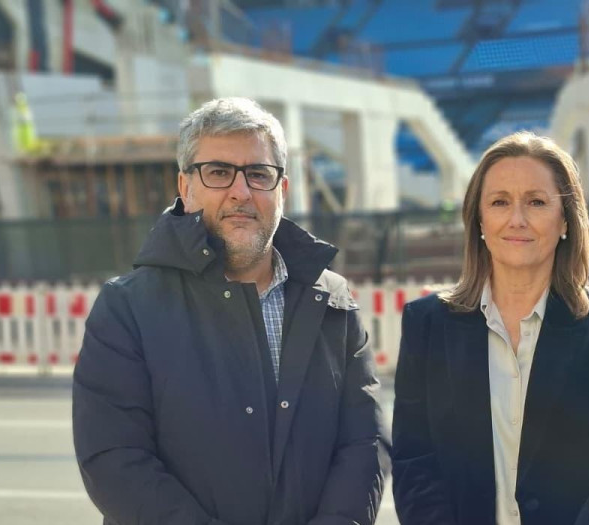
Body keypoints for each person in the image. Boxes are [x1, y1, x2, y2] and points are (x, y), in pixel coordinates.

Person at [72, 97, 387, 525]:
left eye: (258, 174)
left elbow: (364, 442)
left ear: (282, 190)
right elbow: (115, 458)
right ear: (185, 188)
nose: (241, 192)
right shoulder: (127, 308)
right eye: (219, 172)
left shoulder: (333, 300)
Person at [391, 131, 589, 524]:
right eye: (499, 202)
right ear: (478, 219)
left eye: (536, 202)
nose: (517, 219)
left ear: (565, 220)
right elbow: (415, 463)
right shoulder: (427, 325)